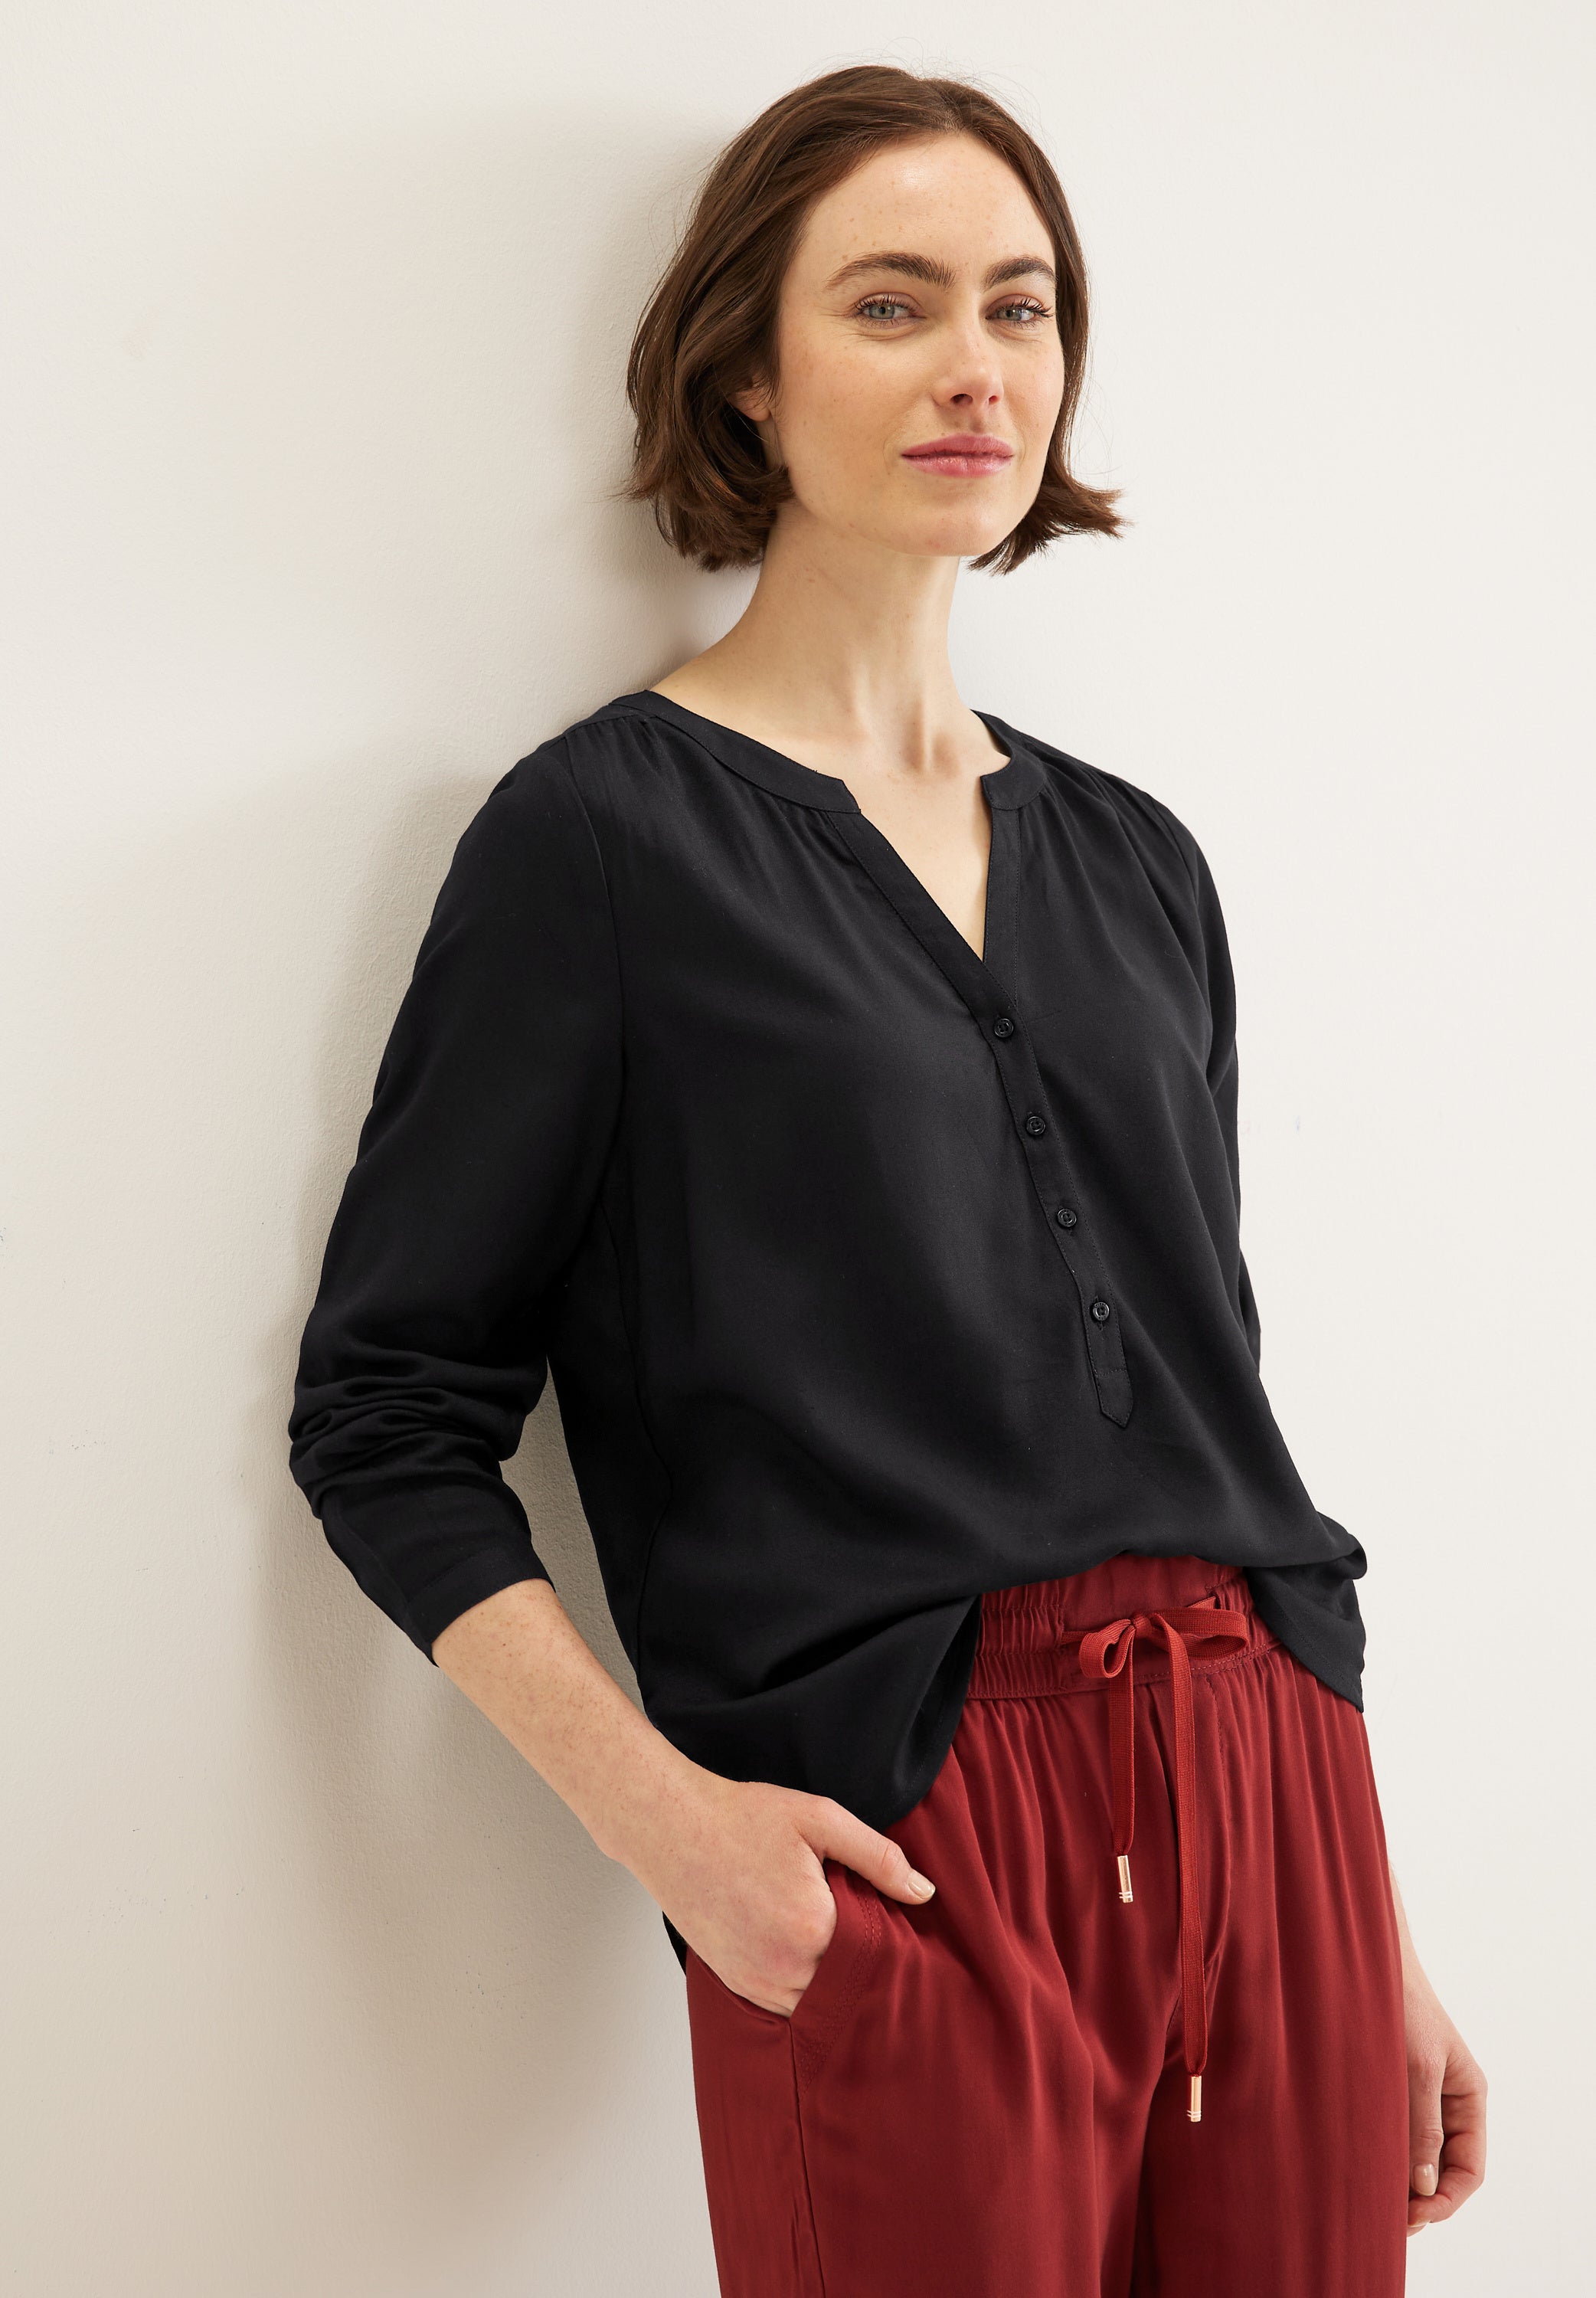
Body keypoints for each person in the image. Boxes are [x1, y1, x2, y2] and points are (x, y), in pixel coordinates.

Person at [286, 63, 1486, 2297]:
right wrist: (680, 1837)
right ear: (746, 371)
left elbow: (1203, 1395)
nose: (975, 367)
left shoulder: (1139, 861)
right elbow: (385, 1417)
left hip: (1274, 1791)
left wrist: (1370, 1932)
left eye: (1021, 307)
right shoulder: (602, 843)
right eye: (891, 303)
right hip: (912, 1836)